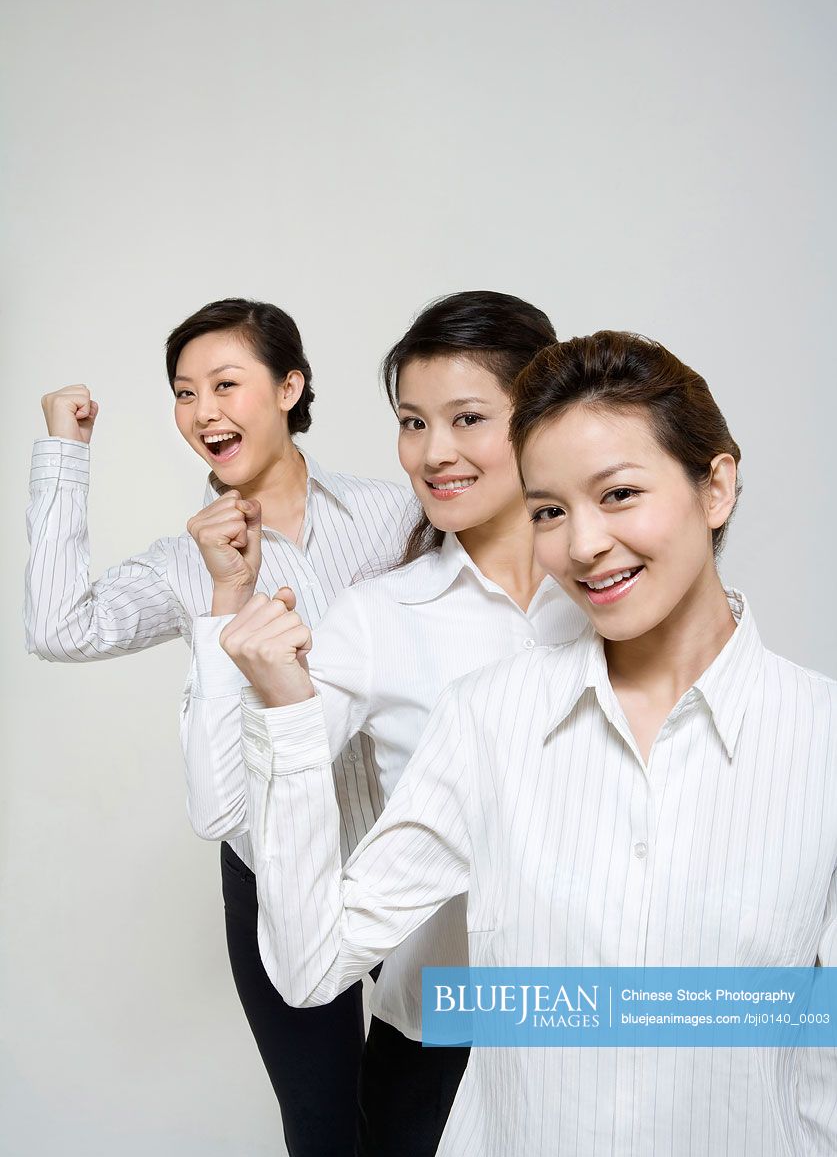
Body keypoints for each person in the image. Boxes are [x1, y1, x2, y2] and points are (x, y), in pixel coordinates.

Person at [220, 330, 837, 1155]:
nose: (580, 545)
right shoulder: (490, 719)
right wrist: (289, 718)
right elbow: (309, 965)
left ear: (714, 484)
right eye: (549, 509)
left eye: (617, 494)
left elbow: (820, 1060)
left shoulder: (819, 739)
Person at [181, 290, 588, 1156]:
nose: (433, 452)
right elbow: (223, 806)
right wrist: (229, 627)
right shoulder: (378, 616)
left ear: (543, 422)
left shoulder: (612, 595)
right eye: (412, 422)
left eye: (466, 418)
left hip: (596, 1016)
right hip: (438, 1037)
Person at [24, 297, 416, 1157]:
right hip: (274, 875)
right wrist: (66, 446)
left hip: (408, 862)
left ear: (289, 386)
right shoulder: (185, 558)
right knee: (322, 1131)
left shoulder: (396, 516)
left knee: (426, 1121)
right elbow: (57, 626)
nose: (203, 411)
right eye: (183, 392)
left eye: (225, 384)